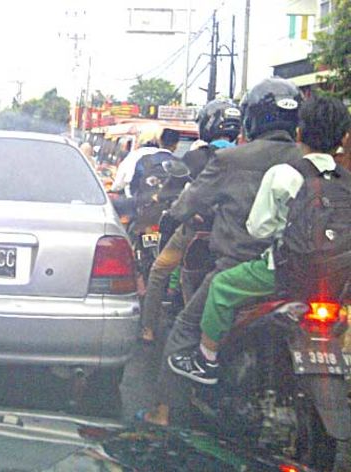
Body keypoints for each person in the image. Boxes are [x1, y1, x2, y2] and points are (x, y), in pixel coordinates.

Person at [140, 78, 304, 426]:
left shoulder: (231, 159)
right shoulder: (311, 159)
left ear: (253, 119)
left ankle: (163, 414)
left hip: (237, 266)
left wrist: (172, 218)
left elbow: (189, 203)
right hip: (298, 273)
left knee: (184, 328)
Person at [168, 96, 351, 385]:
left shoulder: (281, 173)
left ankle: (201, 365)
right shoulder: (346, 179)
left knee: (211, 298)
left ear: (301, 133)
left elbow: (259, 228)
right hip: (337, 281)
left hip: (281, 274)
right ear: (343, 137)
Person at [139, 99, 242, 342]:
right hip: (236, 234)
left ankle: (148, 328)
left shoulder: (196, 157)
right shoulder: (245, 156)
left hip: (197, 229)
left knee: (158, 271)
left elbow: (172, 193)